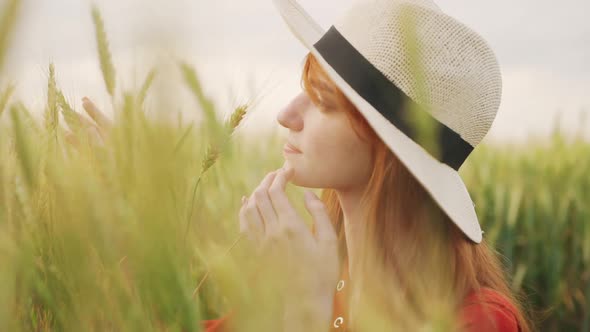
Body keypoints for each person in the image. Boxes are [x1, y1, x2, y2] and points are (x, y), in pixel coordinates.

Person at [72, 0, 536, 330]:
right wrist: (137, 209)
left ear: (389, 148)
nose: (286, 115)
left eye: (323, 101)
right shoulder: (325, 275)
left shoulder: (477, 320)